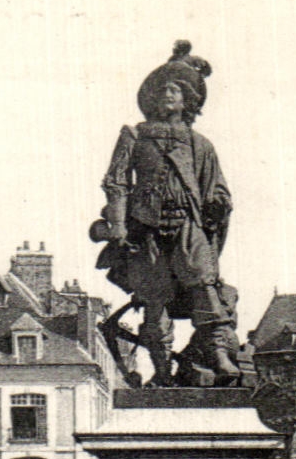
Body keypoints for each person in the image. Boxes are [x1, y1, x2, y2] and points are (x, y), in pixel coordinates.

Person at [92, 40, 239, 385]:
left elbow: (216, 186)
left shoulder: (200, 144)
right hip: (147, 230)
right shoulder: (134, 136)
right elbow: (116, 181)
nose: (167, 95)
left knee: (205, 287)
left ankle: (219, 356)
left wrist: (218, 203)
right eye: (162, 90)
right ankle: (162, 371)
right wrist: (117, 225)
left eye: (175, 90)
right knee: (154, 303)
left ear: (188, 101)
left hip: (188, 225)